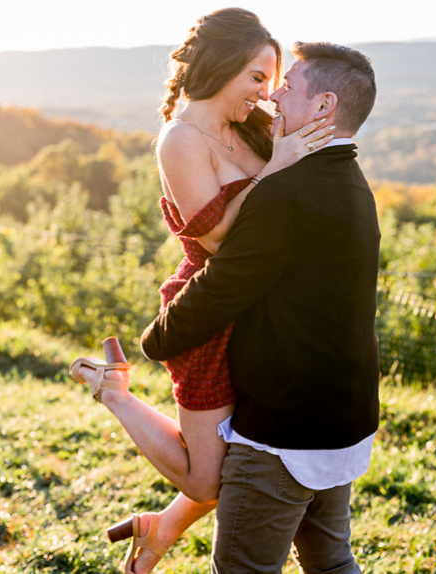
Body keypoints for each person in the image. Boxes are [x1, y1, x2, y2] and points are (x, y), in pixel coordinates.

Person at [69, 8, 334, 573]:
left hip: (267, 312)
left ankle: (158, 528)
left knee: (248, 459)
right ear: (220, 67)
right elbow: (219, 236)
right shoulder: (180, 140)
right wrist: (276, 168)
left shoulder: (253, 126)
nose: (265, 92)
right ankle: (113, 390)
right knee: (207, 477)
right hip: (212, 312)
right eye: (256, 78)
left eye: (271, 79)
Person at [140, 40, 380, 574]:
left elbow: (223, 286)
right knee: (330, 559)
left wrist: (156, 340)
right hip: (344, 421)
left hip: (284, 434)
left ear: (323, 108)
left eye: (288, 86)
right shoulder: (350, 182)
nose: (274, 95)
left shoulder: (290, 192)